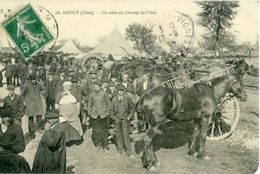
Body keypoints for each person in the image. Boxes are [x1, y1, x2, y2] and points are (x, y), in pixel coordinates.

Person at [32, 109, 66, 173]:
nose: (47, 120)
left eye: (50, 118)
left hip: (52, 159)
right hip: (45, 156)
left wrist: (47, 131)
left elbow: (51, 144)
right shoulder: (51, 126)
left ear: (56, 119)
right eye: (47, 118)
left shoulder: (59, 129)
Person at [110, 85, 135, 157]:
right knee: (118, 135)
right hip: (117, 119)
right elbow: (111, 110)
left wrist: (130, 116)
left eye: (121, 91)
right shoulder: (114, 99)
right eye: (119, 91)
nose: (120, 92)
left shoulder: (127, 98)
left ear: (123, 91)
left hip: (125, 119)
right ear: (117, 91)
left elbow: (132, 108)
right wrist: (114, 118)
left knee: (126, 135)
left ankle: (129, 152)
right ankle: (119, 150)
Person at [88, 80, 110, 151]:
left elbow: (108, 104)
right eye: (95, 87)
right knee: (96, 130)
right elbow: (89, 106)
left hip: (103, 115)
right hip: (94, 115)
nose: (96, 88)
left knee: (104, 130)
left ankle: (105, 145)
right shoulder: (92, 94)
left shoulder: (104, 93)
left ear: (100, 87)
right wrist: (90, 114)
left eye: (97, 87)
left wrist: (107, 112)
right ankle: (98, 144)